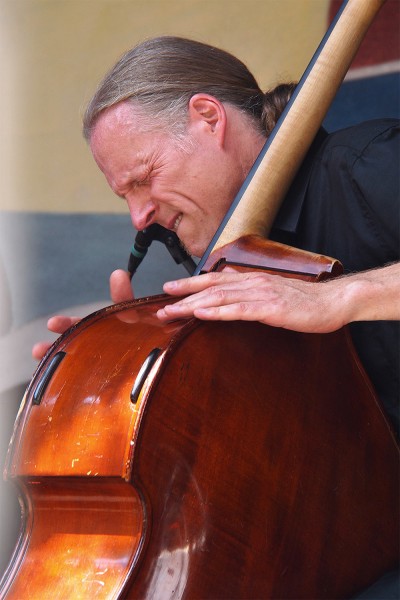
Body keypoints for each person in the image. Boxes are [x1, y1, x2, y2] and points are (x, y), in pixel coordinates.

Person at [32, 36, 399, 596]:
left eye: (143, 177)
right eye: (123, 196)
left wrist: (337, 298)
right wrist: (113, 366)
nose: (138, 216)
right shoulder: (211, 248)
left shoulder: (367, 166)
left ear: (208, 118)